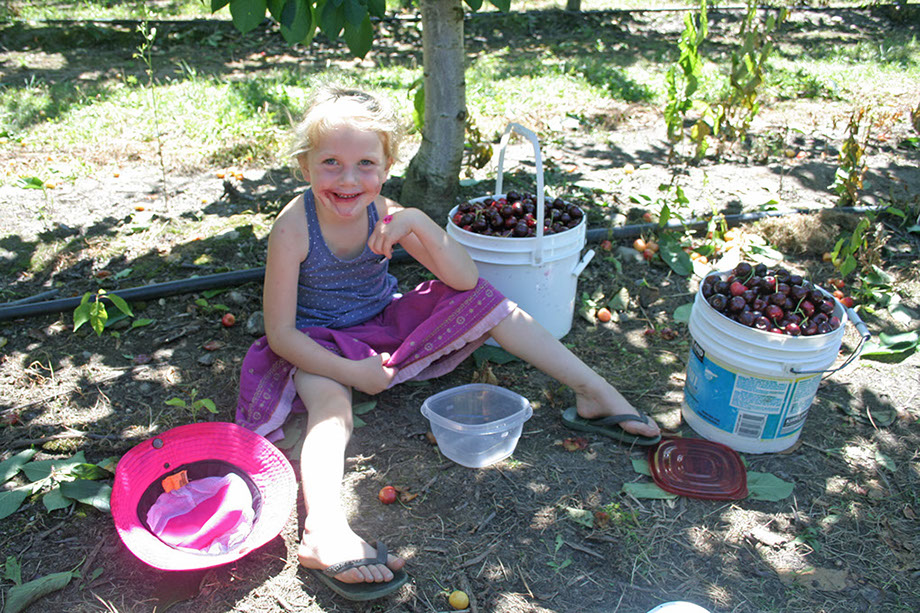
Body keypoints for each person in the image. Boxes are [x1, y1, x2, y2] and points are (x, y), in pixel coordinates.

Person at [236, 84, 661, 601]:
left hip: (383, 322)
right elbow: (281, 334)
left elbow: (463, 279)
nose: (348, 180)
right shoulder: (293, 228)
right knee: (332, 411)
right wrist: (352, 372)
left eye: (365, 164)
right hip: (319, 344)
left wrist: (415, 221)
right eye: (330, 163)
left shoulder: (385, 211)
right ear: (305, 166)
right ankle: (323, 529)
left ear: (387, 166)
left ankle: (594, 392)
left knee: (488, 301)